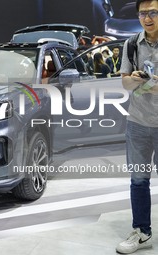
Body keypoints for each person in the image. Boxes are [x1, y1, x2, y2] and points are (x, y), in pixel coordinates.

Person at [116, 0, 158, 254]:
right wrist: (135, 80)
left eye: (153, 12)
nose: (147, 18)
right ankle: (142, 233)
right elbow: (125, 83)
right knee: (139, 180)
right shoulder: (131, 44)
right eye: (143, 13)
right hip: (138, 124)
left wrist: (150, 84)